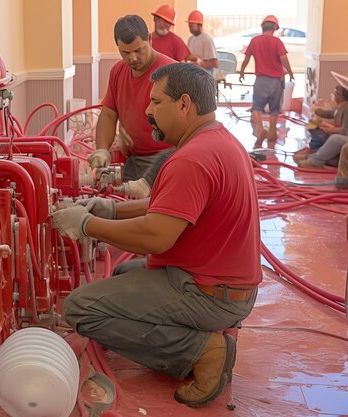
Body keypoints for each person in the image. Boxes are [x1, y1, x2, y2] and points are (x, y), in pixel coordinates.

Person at [53, 63, 261, 407]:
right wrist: (112, 210)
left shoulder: (191, 160)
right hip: (226, 283)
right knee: (122, 273)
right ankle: (189, 335)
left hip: (210, 293)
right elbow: (172, 206)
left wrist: (86, 225)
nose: (147, 111)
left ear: (183, 104)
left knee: (81, 309)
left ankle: (204, 351)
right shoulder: (217, 140)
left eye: (155, 102)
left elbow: (155, 237)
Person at [88, 15, 175, 181]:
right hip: (133, 161)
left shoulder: (171, 72)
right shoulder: (117, 72)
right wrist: (102, 150)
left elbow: (187, 126)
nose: (133, 58)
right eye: (125, 53)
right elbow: (108, 114)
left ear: (149, 39)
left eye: (138, 50)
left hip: (166, 161)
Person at [239, 15, 295, 149]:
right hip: (276, 82)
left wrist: (241, 71)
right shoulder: (277, 42)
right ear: (275, 28)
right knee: (274, 110)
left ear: (262, 27)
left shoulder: (255, 41)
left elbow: (246, 58)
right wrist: (291, 73)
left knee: (257, 108)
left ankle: (260, 129)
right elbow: (284, 59)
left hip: (261, 81)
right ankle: (271, 135)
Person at [298, 84, 348, 154]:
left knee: (317, 131)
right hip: (334, 133)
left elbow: (344, 131)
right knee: (313, 125)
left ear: (341, 97)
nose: (333, 95)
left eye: (335, 93)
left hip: (337, 136)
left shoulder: (346, 108)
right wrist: (316, 110)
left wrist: (328, 129)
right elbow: (329, 113)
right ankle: (317, 149)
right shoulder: (340, 107)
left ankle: (318, 151)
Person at [185, 10, 218, 77]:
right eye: (189, 26)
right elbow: (188, 57)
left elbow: (214, 63)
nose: (190, 29)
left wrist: (198, 64)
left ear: (199, 25)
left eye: (191, 26)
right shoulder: (190, 39)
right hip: (193, 76)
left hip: (205, 77)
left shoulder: (206, 39)